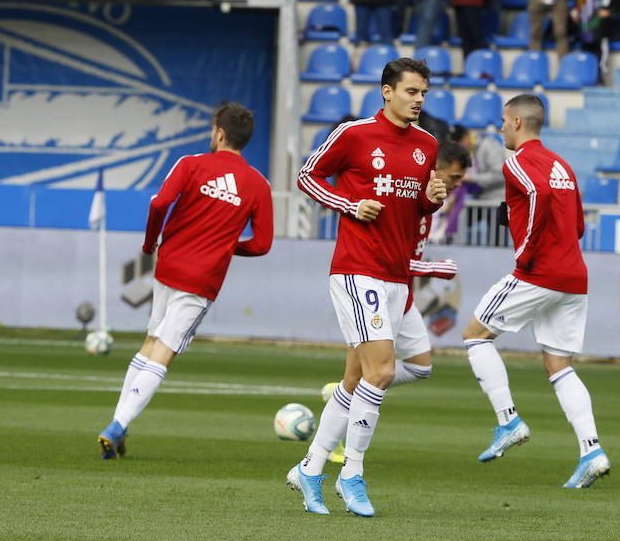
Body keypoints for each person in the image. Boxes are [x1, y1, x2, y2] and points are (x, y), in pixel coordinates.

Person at [287, 59, 447, 517]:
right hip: (359, 268)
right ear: (386, 91)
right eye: (411, 91)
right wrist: (349, 204)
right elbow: (306, 176)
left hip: (397, 274)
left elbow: (415, 208)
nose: (418, 99)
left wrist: (430, 201)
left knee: (357, 378)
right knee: (380, 372)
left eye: (423, 93)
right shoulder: (354, 135)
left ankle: (309, 468)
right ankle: (351, 473)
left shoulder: (426, 145)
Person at [97, 103, 273, 458]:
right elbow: (262, 244)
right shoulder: (257, 184)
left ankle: (119, 425)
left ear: (219, 133)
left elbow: (160, 203)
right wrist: (226, 247)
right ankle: (116, 425)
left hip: (169, 267)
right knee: (164, 352)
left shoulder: (190, 164)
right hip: (202, 279)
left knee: (150, 344)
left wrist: (150, 244)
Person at [462, 94, 609, 488]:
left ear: (515, 122)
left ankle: (508, 420)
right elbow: (577, 224)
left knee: (475, 336)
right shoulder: (563, 164)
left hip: (538, 272)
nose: (500, 128)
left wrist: (527, 252)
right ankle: (591, 450)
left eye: (502, 121)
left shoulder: (517, 163)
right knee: (559, 366)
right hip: (574, 276)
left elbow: (538, 195)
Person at [320, 140, 471, 463]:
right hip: (374, 287)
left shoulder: (427, 203)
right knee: (363, 375)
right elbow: (393, 257)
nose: (458, 185)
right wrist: (433, 268)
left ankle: (343, 402)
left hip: (402, 296)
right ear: (436, 170)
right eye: (454, 177)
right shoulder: (405, 195)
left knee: (420, 367)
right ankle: (334, 449)